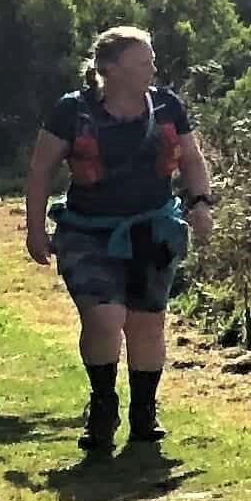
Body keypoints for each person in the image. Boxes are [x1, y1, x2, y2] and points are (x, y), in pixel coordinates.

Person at [24, 25, 214, 458]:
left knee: (147, 323)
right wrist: (36, 227)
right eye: (142, 60)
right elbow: (41, 171)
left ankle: (144, 415)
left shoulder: (167, 106)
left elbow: (192, 158)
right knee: (105, 318)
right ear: (110, 68)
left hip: (153, 231)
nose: (152, 67)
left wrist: (200, 202)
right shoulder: (73, 111)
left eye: (151, 60)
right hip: (88, 233)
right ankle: (104, 406)